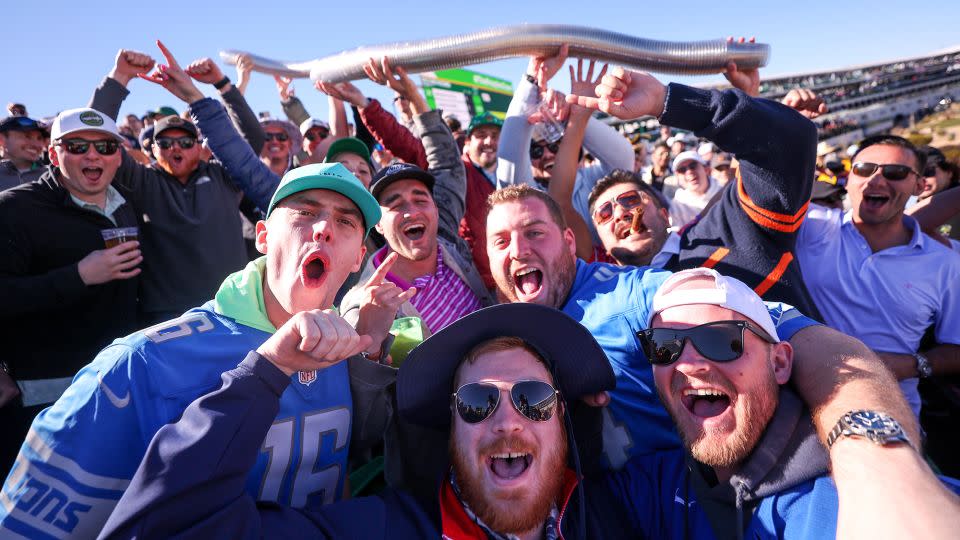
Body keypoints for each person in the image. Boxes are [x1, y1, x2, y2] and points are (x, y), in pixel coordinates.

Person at [0, 161, 392, 539]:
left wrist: (369, 350)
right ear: (263, 236)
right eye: (305, 212)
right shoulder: (143, 364)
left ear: (359, 255)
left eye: (345, 221)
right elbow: (28, 524)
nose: (324, 227)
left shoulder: (347, 351)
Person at [97, 303, 640, 539]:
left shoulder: (622, 515)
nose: (505, 420)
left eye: (533, 398)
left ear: (562, 419)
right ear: (450, 429)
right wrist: (267, 373)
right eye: (476, 402)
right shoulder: (382, 530)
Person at [614, 267, 960, 539]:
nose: (688, 364)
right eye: (664, 346)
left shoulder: (854, 495)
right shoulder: (655, 485)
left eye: (720, 339)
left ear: (779, 363)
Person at [555, 62, 824, 318]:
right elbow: (559, 204)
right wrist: (577, 117)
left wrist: (665, 100)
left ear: (664, 213)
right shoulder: (603, 297)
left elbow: (787, 142)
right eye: (604, 212)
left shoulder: (729, 230)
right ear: (601, 243)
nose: (621, 212)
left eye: (630, 199)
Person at [0, 108, 141, 473]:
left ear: (118, 155)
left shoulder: (126, 203)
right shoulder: (14, 209)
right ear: (53, 154)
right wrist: (78, 275)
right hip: (47, 392)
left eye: (106, 146)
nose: (93, 155)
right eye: (77, 146)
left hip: (117, 381)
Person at [87, 47, 272, 324]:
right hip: (167, 317)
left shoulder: (225, 176)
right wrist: (119, 78)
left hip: (234, 309)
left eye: (186, 142)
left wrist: (223, 85)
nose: (177, 148)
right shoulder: (141, 181)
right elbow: (95, 138)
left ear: (200, 147)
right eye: (165, 142)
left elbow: (252, 138)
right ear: (151, 149)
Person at [795, 135, 960, 419]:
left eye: (895, 172)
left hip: (890, 415)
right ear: (848, 179)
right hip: (800, 408)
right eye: (864, 169)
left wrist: (910, 365)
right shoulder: (812, 227)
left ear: (919, 186)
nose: (876, 179)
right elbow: (746, 193)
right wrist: (787, 119)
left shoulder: (946, 262)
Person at [340, 60, 493, 354]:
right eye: (395, 204)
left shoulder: (445, 234)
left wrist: (415, 97)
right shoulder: (366, 299)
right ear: (378, 224)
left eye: (421, 199)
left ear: (436, 209)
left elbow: (447, 162)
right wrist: (370, 343)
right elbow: (370, 384)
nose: (412, 211)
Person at [496, 45, 633, 243]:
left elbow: (624, 157)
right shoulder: (528, 195)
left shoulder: (592, 180)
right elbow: (509, 163)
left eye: (555, 145)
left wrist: (572, 112)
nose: (547, 155)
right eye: (535, 150)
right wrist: (531, 81)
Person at [667, 150, 722, 227]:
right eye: (682, 170)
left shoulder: (724, 192)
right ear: (678, 178)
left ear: (706, 169)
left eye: (693, 166)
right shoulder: (678, 205)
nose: (689, 172)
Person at [0, 115, 47, 188]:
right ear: (1, 140)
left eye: (39, 138)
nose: (36, 144)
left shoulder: (54, 176)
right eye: (27, 136)